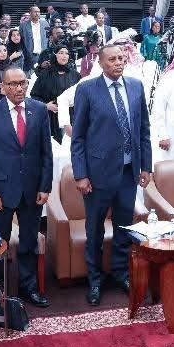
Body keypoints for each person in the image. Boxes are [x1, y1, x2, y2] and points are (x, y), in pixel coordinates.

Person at [71, 43, 152, 306]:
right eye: (112, 59)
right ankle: (94, 279)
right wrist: (81, 175)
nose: (118, 62)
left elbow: (144, 130)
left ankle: (120, 272)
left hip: (128, 174)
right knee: (94, 230)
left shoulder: (136, 86)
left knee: (123, 227)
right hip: (97, 176)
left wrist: (146, 166)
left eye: (121, 58)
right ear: (101, 63)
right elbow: (78, 137)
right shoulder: (87, 89)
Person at [0, 67, 53, 307]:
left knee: (28, 242)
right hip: (0, 192)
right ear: (2, 87)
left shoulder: (39, 110)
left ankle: (29, 287)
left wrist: (45, 186)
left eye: (23, 83)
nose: (19, 88)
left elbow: (46, 153)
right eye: (13, 84)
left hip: (32, 190)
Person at [30, 44, 80, 142]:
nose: (64, 56)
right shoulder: (45, 74)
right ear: (55, 55)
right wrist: (46, 105)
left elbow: (81, 95)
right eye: (61, 53)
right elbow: (34, 96)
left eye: (66, 53)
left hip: (70, 117)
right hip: (50, 118)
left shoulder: (75, 75)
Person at [20, 5, 49, 72]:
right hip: (30, 56)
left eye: (38, 12)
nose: (37, 13)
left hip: (43, 55)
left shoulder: (45, 23)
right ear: (30, 13)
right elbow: (21, 41)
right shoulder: (23, 25)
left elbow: (48, 38)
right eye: (35, 12)